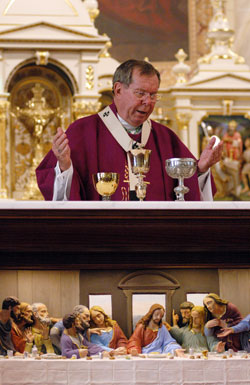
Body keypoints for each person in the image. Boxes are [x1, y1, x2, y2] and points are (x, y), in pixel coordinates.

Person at [36, 59, 223, 201]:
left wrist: (200, 169)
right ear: (118, 90)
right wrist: (64, 166)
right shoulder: (83, 132)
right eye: (140, 94)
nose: (148, 102)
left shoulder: (165, 137)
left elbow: (187, 197)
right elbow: (56, 192)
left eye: (153, 95)